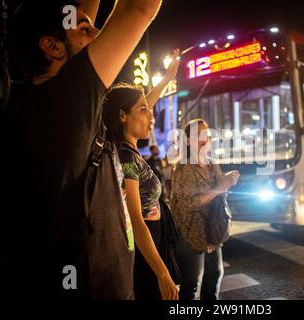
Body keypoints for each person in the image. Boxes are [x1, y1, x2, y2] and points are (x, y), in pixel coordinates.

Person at [1, 0, 163, 299]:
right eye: (86, 30)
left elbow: (77, 11)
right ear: (52, 47)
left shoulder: (32, 105)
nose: (99, 33)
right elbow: (139, 8)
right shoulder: (66, 99)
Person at [103, 49, 181, 300]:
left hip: (152, 244)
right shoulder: (125, 158)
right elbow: (136, 221)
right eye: (144, 111)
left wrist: (167, 79)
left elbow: (141, 102)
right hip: (143, 250)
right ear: (123, 116)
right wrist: (162, 274)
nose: (151, 116)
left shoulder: (130, 152)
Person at [170, 119, 240, 300]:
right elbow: (188, 203)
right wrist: (220, 187)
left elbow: (219, 193)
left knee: (214, 276)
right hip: (190, 235)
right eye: (198, 135)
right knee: (192, 285)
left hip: (213, 232)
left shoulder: (211, 163)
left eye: (207, 134)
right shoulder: (183, 167)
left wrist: (227, 181)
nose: (205, 139)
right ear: (187, 140)